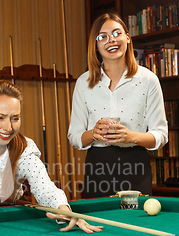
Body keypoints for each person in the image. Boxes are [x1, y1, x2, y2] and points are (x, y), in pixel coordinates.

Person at [0, 81, 102, 234]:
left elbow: (44, 187)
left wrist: (64, 210)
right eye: (0, 117)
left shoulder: (24, 151)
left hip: (8, 214)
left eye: (15, 118)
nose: (8, 127)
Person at [67, 12, 168, 198]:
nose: (111, 40)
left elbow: (160, 136)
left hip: (135, 165)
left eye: (116, 33)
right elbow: (74, 136)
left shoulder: (148, 80)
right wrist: (93, 133)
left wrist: (131, 137)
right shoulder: (83, 82)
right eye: (102, 37)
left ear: (127, 37)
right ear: (96, 45)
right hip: (97, 167)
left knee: (134, 223)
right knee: (97, 224)